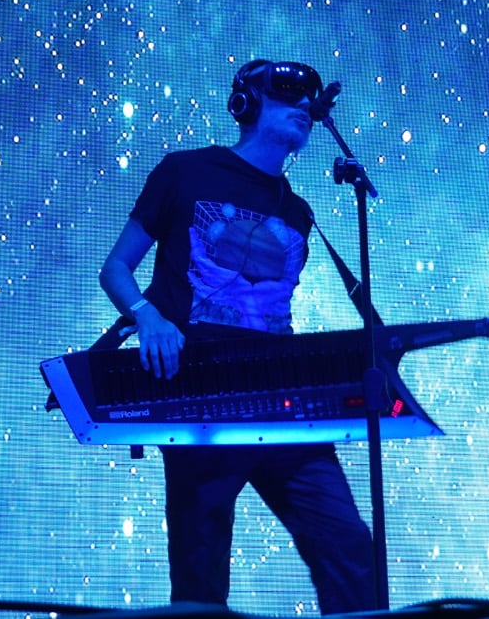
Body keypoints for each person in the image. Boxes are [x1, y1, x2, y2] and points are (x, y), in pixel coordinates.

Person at [98, 59, 378, 615]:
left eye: (312, 100)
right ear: (246, 102)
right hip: (200, 396)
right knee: (201, 582)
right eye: (287, 93)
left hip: (280, 397)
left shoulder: (299, 213)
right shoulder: (185, 172)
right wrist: (148, 318)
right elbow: (115, 268)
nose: (305, 106)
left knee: (349, 547)